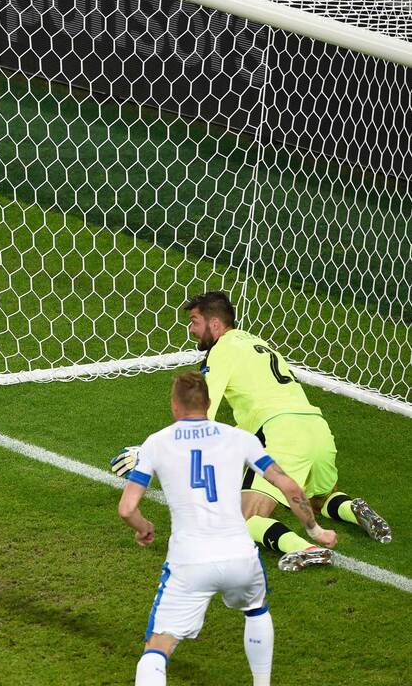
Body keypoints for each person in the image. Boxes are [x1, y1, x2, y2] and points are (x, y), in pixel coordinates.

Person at [119, 372, 337, 686]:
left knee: (157, 649)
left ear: (174, 406)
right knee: (257, 609)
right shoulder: (241, 439)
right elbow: (289, 486)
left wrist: (144, 527)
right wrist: (316, 532)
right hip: (240, 556)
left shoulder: (156, 443)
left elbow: (127, 509)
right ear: (208, 404)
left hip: (190, 561)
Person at [183, 290, 390, 570]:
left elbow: (202, 411)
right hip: (316, 428)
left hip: (280, 433)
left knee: (245, 518)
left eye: (195, 321)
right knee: (317, 499)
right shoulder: (259, 344)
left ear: (215, 324)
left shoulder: (221, 351)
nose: (191, 329)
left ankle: (305, 548)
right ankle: (353, 509)